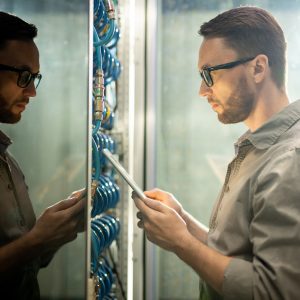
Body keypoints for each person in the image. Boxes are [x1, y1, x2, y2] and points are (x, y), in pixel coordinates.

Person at [133, 6, 300, 300]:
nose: (202, 90)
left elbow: (273, 291)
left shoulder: (289, 162)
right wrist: (182, 221)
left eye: (209, 74)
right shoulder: (259, 146)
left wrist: (181, 242)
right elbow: (237, 254)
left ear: (258, 68)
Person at [0, 12, 85, 300]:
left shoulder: (7, 162)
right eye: (24, 76)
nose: (32, 92)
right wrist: (37, 240)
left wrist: (59, 230)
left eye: (35, 78)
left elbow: (22, 264)